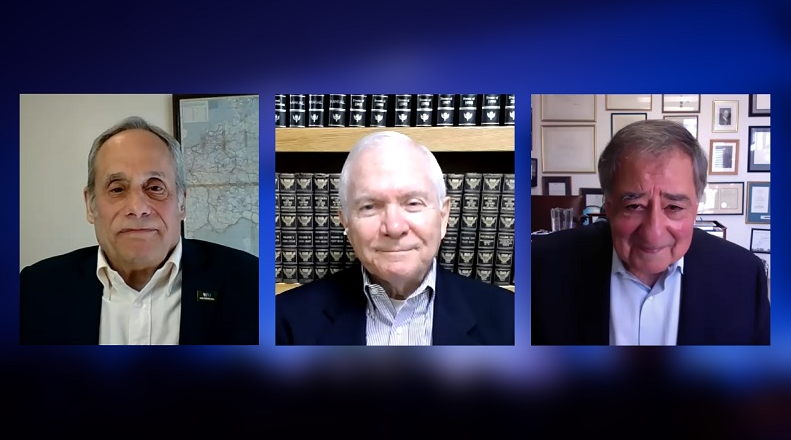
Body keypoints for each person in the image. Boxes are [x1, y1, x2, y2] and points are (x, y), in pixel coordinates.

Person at [19, 116, 259, 345]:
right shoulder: (34, 290)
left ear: (182, 203)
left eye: (155, 188)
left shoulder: (253, 285)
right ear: (90, 205)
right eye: (117, 189)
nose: (137, 208)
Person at [531, 119, 769, 345]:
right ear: (609, 208)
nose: (653, 233)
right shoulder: (542, 265)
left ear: (695, 209)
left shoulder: (744, 276)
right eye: (634, 206)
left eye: (674, 207)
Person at [276, 131, 514, 345]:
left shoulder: (512, 318)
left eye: (413, 203)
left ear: (443, 217)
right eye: (369, 206)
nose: (394, 227)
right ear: (345, 222)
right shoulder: (284, 322)